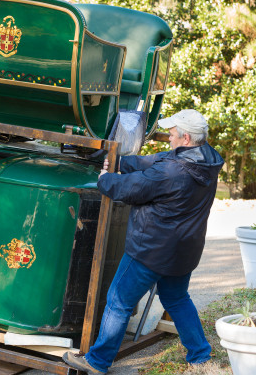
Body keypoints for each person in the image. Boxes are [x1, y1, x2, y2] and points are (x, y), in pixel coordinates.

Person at [63, 109, 224, 374]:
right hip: (182, 251)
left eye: (172, 134)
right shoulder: (207, 160)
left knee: (118, 302)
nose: (169, 138)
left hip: (150, 250)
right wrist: (121, 163)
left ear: (185, 137)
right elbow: (159, 161)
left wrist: (106, 179)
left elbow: (130, 188)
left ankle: (97, 361)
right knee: (177, 298)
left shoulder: (172, 172)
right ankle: (200, 354)